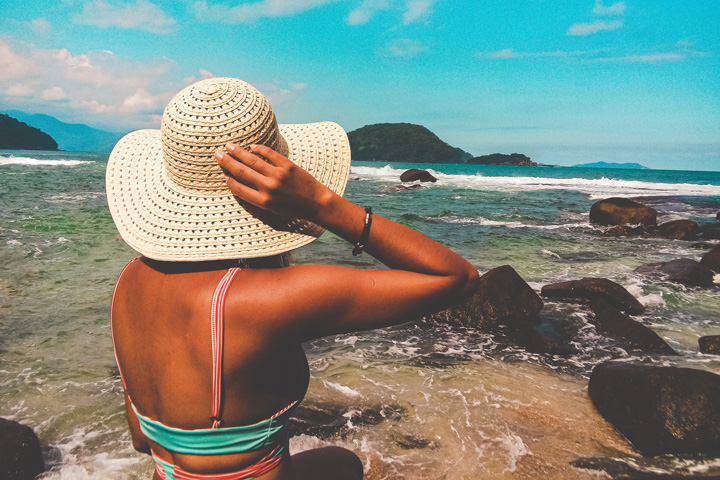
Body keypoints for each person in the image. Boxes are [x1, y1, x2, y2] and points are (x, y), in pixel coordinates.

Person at [107, 77, 479, 480]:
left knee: (338, 462)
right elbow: (457, 278)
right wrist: (323, 205)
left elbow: (141, 440)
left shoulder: (129, 282)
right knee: (345, 465)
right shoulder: (267, 298)